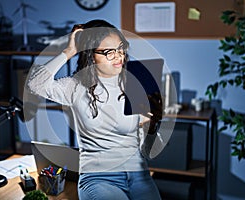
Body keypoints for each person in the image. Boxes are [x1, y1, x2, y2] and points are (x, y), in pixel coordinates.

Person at [26, 19, 163, 200]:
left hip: (138, 175)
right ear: (91, 55)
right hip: (99, 179)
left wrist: (152, 127)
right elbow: (35, 84)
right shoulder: (75, 87)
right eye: (108, 52)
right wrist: (69, 51)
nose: (118, 56)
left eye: (121, 48)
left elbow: (149, 152)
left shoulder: (133, 83)